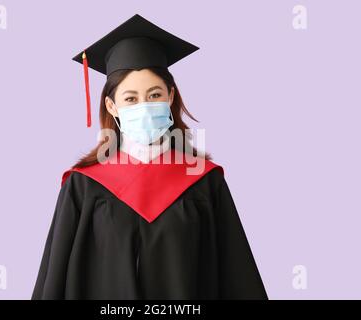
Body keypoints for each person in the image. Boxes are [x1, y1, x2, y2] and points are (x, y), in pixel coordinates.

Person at [31, 14, 268, 300]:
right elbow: (56, 278)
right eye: (131, 98)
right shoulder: (82, 186)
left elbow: (236, 276)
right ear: (112, 106)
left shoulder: (204, 181)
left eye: (154, 95)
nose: (144, 106)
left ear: (170, 97)